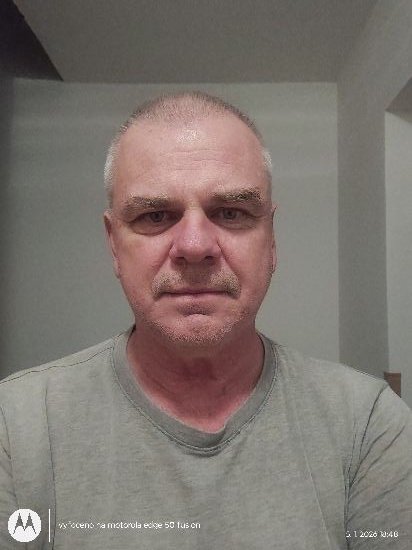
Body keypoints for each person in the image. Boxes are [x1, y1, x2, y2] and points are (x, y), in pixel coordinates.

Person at [0, 92, 411, 549]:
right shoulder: (17, 428)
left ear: (271, 239)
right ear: (114, 245)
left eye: (231, 213)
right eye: (156, 215)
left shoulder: (368, 424)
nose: (195, 247)